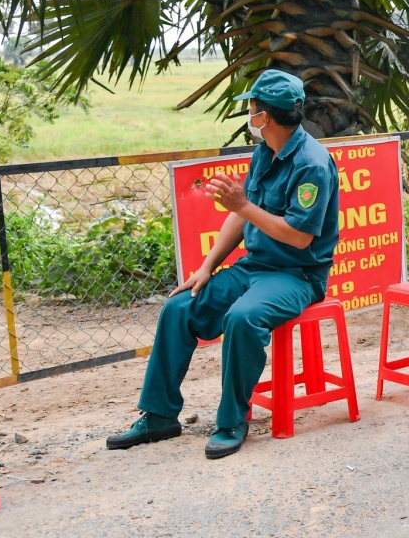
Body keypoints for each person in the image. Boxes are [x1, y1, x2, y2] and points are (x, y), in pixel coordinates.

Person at [107, 69, 340, 459]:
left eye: (252, 108)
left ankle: (233, 420)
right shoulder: (266, 149)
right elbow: (240, 214)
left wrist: (244, 205)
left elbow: (299, 237)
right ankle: (160, 416)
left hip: (298, 275)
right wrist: (206, 267)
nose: (248, 113)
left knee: (242, 318)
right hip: (255, 267)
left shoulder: (313, 163)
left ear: (264, 116)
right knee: (180, 307)